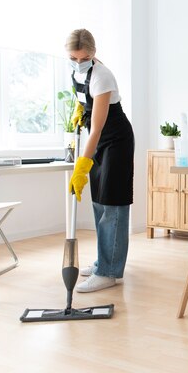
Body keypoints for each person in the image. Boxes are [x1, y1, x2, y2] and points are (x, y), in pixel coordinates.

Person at [65, 29, 135, 293]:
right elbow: (86, 103)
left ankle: (109, 272)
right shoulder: (77, 72)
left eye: (83, 58)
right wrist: (78, 110)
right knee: (98, 202)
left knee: (112, 203)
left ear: (93, 54)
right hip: (100, 140)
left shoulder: (102, 76)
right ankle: (103, 261)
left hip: (115, 140)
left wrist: (82, 166)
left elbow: (97, 128)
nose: (78, 62)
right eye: (73, 57)